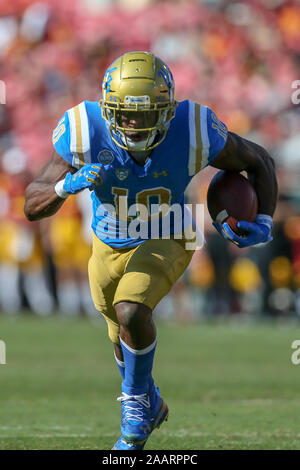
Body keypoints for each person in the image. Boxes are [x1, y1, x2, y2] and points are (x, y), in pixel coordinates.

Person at [24, 51, 278, 450]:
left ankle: (135, 415)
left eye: (146, 113)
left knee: (131, 310)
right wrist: (64, 187)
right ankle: (149, 399)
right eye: (124, 113)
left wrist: (263, 221)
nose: (134, 123)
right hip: (107, 241)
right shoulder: (84, 128)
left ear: (168, 109)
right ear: (108, 109)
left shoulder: (192, 128)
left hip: (170, 231)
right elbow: (32, 203)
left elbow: (258, 159)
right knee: (121, 334)